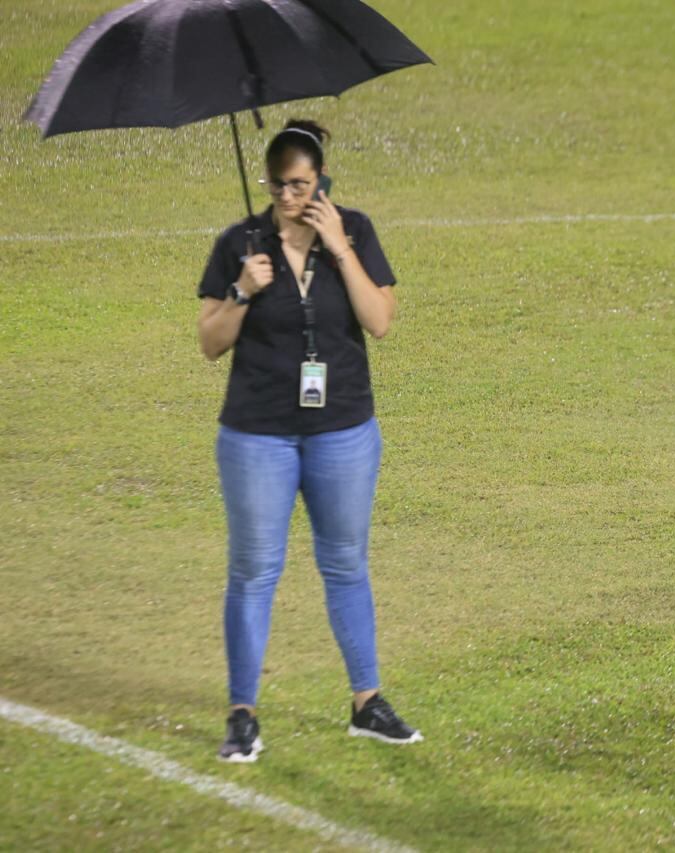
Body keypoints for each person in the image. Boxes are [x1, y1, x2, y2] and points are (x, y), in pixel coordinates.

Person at [197, 119, 421, 762]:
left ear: (322, 180)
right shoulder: (239, 243)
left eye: (300, 184)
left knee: (346, 563)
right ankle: (243, 713)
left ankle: (367, 704)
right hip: (256, 434)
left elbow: (379, 321)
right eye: (278, 185)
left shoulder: (356, 230)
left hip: (342, 429)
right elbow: (210, 343)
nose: (289, 196)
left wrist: (340, 248)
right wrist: (244, 290)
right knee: (253, 572)